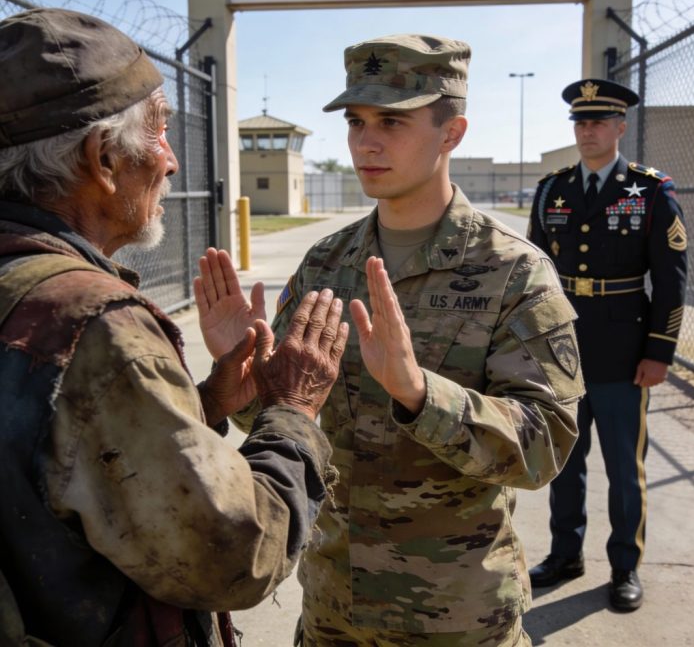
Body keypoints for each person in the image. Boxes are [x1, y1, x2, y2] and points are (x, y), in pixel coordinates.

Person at [197, 34, 584, 646]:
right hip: (334, 608)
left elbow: (545, 446)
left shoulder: (513, 271)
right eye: (356, 122)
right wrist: (245, 381)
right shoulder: (326, 263)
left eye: (391, 122)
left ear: (452, 133)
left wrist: (421, 395)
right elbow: (287, 422)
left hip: (456, 617)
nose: (365, 143)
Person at [0, 7, 349, 647]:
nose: (171, 162)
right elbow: (234, 556)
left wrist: (205, 403)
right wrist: (293, 412)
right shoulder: (92, 325)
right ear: (104, 158)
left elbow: (54, 455)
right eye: (159, 130)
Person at [527, 78, 688, 611]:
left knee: (624, 469)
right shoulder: (552, 190)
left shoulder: (649, 189)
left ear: (620, 127)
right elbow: (535, 274)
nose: (587, 131)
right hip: (562, 352)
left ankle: (624, 566)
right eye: (580, 122)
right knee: (564, 463)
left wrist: (659, 352)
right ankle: (564, 554)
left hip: (625, 353)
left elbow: (671, 281)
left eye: (598, 121)